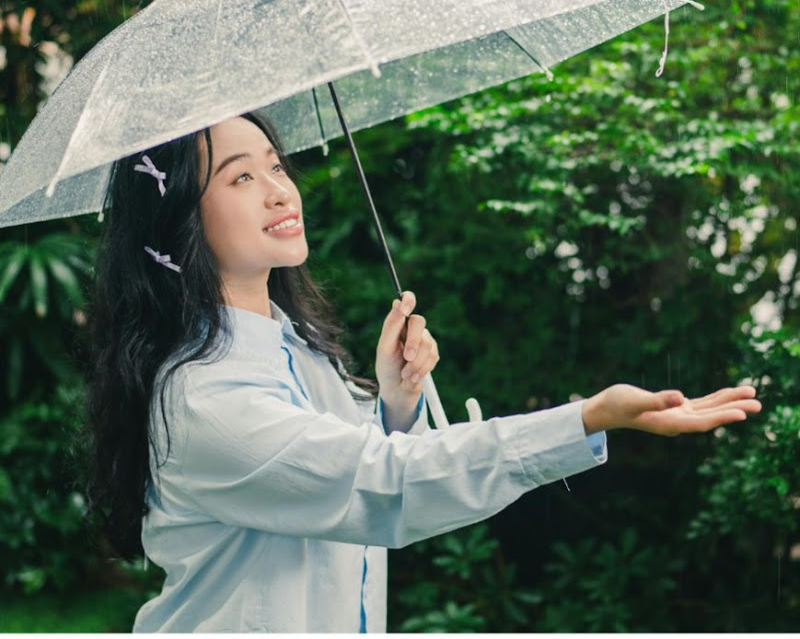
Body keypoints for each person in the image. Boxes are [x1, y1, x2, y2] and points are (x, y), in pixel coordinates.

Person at [85, 111, 761, 633]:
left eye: (274, 165)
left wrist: (394, 402)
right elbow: (383, 486)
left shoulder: (296, 350)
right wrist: (589, 417)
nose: (278, 191)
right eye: (239, 177)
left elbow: (353, 470)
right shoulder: (205, 397)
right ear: (182, 225)